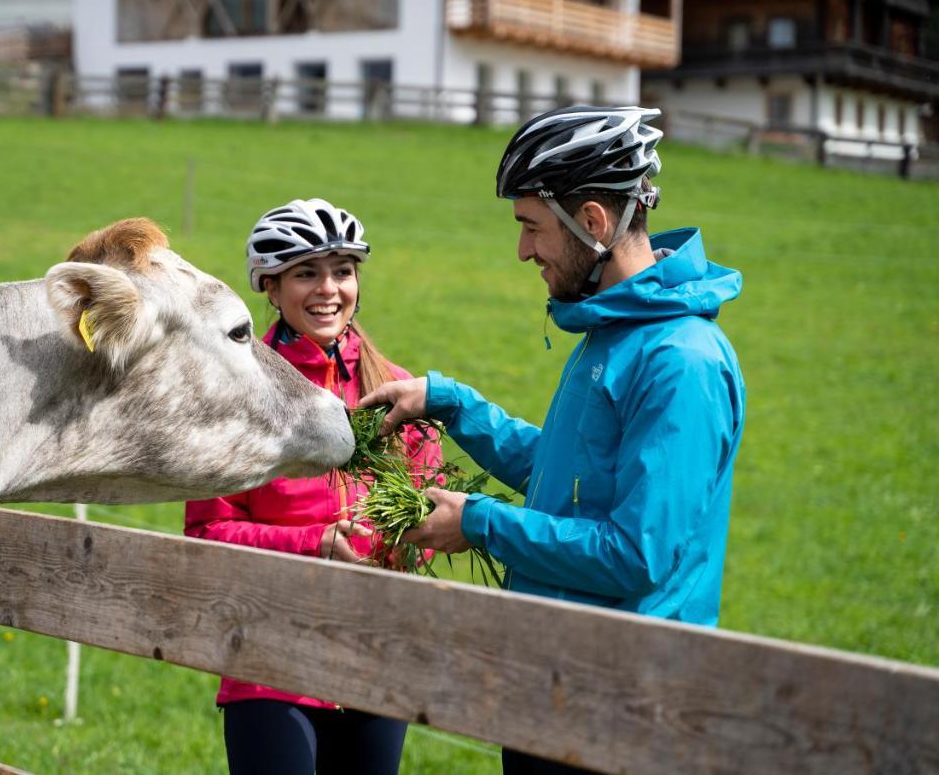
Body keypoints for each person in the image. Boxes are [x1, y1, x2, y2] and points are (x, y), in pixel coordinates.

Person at [359, 106, 746, 774]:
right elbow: (568, 479)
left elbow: (636, 553)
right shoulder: (614, 333)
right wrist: (452, 404)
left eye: (531, 226)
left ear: (592, 223)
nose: (523, 251)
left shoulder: (680, 360)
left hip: (625, 706)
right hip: (558, 682)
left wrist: (479, 523)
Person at [185, 198, 440, 775]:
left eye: (343, 271)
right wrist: (315, 544)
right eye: (306, 272)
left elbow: (427, 514)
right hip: (270, 656)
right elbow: (206, 530)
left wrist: (393, 541)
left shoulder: (396, 390)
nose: (329, 289)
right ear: (270, 287)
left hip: (375, 653)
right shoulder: (234, 400)